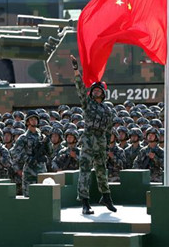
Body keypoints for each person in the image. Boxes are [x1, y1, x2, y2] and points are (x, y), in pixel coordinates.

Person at [70, 54, 117, 215]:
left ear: (103, 93)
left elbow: (109, 130)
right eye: (94, 90)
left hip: (101, 141)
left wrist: (108, 146)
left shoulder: (107, 110)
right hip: (89, 140)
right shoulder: (87, 104)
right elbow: (80, 89)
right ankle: (85, 202)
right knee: (85, 170)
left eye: (99, 90)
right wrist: (76, 71)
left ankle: (106, 197)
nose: (96, 92)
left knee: (102, 170)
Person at [11, 110, 52, 197]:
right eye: (31, 119)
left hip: (41, 170)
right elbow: (14, 152)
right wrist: (28, 159)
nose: (34, 121)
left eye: (35, 119)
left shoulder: (42, 137)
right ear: (27, 122)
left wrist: (48, 143)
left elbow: (50, 151)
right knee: (28, 197)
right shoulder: (24, 137)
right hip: (29, 171)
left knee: (43, 196)